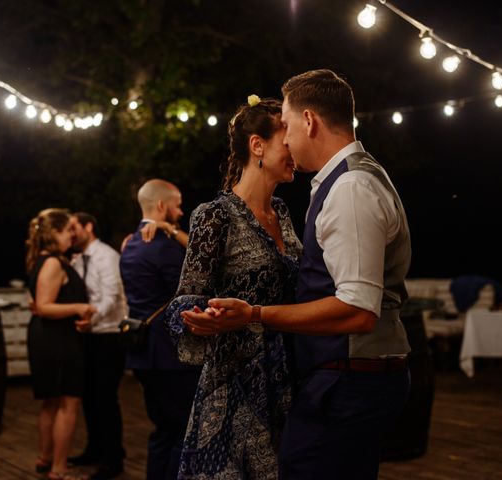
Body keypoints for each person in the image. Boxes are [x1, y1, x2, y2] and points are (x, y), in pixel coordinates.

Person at [183, 69, 412, 480]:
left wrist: (254, 313)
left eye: (288, 127)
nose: (287, 140)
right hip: (256, 382)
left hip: (339, 379)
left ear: (309, 122)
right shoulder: (222, 213)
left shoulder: (349, 189)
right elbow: (188, 298)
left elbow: (357, 309)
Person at [165, 96, 302, 479]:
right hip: (235, 383)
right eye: (287, 142)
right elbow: (185, 297)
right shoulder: (215, 216)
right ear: (257, 146)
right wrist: (195, 318)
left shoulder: (284, 214)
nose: (295, 151)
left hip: (288, 379)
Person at [119, 179, 202, 480]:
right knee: (183, 430)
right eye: (177, 205)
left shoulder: (129, 245)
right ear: (162, 206)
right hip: (170, 356)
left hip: (143, 354)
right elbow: (192, 287)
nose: (181, 211)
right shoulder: (164, 247)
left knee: (162, 431)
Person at [25, 208, 92, 480]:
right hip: (57, 339)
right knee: (68, 402)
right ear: (54, 233)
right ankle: (59, 469)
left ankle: (45, 458)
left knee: (51, 402)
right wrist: (81, 307)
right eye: (67, 231)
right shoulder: (53, 262)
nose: (72, 235)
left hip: (51, 336)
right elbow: (43, 306)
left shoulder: (41, 260)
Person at [67, 212, 128, 480]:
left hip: (108, 335)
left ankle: (113, 458)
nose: (70, 234)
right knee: (89, 396)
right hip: (87, 335)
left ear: (88, 227)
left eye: (73, 228)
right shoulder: (77, 259)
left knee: (105, 398)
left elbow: (112, 297)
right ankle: (94, 448)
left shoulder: (107, 256)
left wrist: (90, 318)